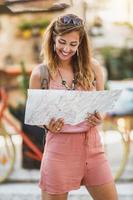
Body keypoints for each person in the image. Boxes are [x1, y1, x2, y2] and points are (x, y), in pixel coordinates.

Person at [29, 13, 118, 200]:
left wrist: (99, 115)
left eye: (73, 44)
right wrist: (47, 124)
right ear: (53, 38)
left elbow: (101, 104)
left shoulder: (93, 68)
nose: (66, 49)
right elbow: (36, 116)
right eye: (62, 42)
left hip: (93, 148)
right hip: (59, 150)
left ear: (80, 44)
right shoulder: (40, 74)